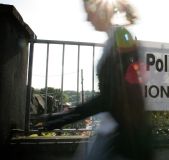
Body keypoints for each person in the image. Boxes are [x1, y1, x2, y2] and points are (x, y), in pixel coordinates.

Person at [38, 1, 153, 159]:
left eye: (89, 13)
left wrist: (65, 117)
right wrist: (64, 117)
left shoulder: (121, 38)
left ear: (102, 12)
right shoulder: (113, 40)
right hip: (116, 130)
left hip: (126, 137)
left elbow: (113, 96)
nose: (87, 19)